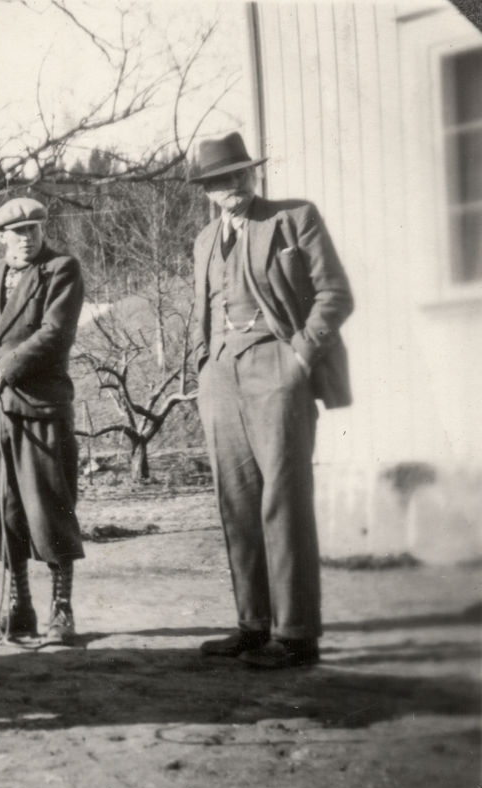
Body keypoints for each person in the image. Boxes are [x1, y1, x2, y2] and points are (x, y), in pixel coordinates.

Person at [189, 132, 354, 669]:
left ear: (251, 175)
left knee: (283, 500)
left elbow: (334, 293)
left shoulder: (293, 219)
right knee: (235, 503)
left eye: (239, 174)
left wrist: (299, 359)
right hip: (220, 378)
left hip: (276, 370)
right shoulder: (203, 240)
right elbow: (202, 309)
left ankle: (297, 634)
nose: (231, 185)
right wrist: (201, 367)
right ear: (207, 189)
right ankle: (252, 625)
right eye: (219, 179)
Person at [0, 197, 86, 642]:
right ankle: (20, 608)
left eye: (34, 229)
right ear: (1, 237)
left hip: (40, 405)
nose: (27, 238)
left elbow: (54, 334)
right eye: (18, 231)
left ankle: (61, 612)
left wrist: (4, 366)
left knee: (50, 506)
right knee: (1, 507)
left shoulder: (61, 269)